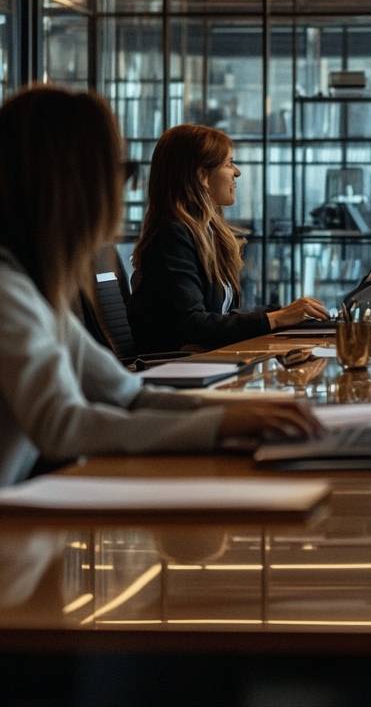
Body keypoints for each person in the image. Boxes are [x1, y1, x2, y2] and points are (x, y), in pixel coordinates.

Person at [0, 86, 321, 487]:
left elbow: (129, 394)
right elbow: (63, 426)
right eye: (114, 175)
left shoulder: (32, 292)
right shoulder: (8, 293)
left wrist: (238, 412)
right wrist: (217, 427)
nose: (119, 194)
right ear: (71, 189)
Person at [129, 124, 329, 353]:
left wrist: (284, 312)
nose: (237, 172)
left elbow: (222, 316)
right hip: (180, 370)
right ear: (202, 176)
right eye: (229, 163)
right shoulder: (172, 235)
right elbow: (192, 324)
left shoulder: (205, 233)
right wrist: (276, 318)